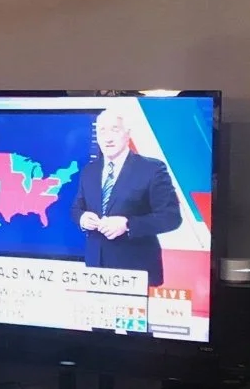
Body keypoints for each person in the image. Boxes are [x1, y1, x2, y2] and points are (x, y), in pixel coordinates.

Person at [73, 108, 181, 287]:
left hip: (135, 271)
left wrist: (128, 224)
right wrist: (83, 218)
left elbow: (171, 217)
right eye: (102, 131)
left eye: (115, 130)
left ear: (127, 134)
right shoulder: (89, 171)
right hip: (96, 271)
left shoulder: (151, 169)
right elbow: (76, 208)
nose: (108, 138)